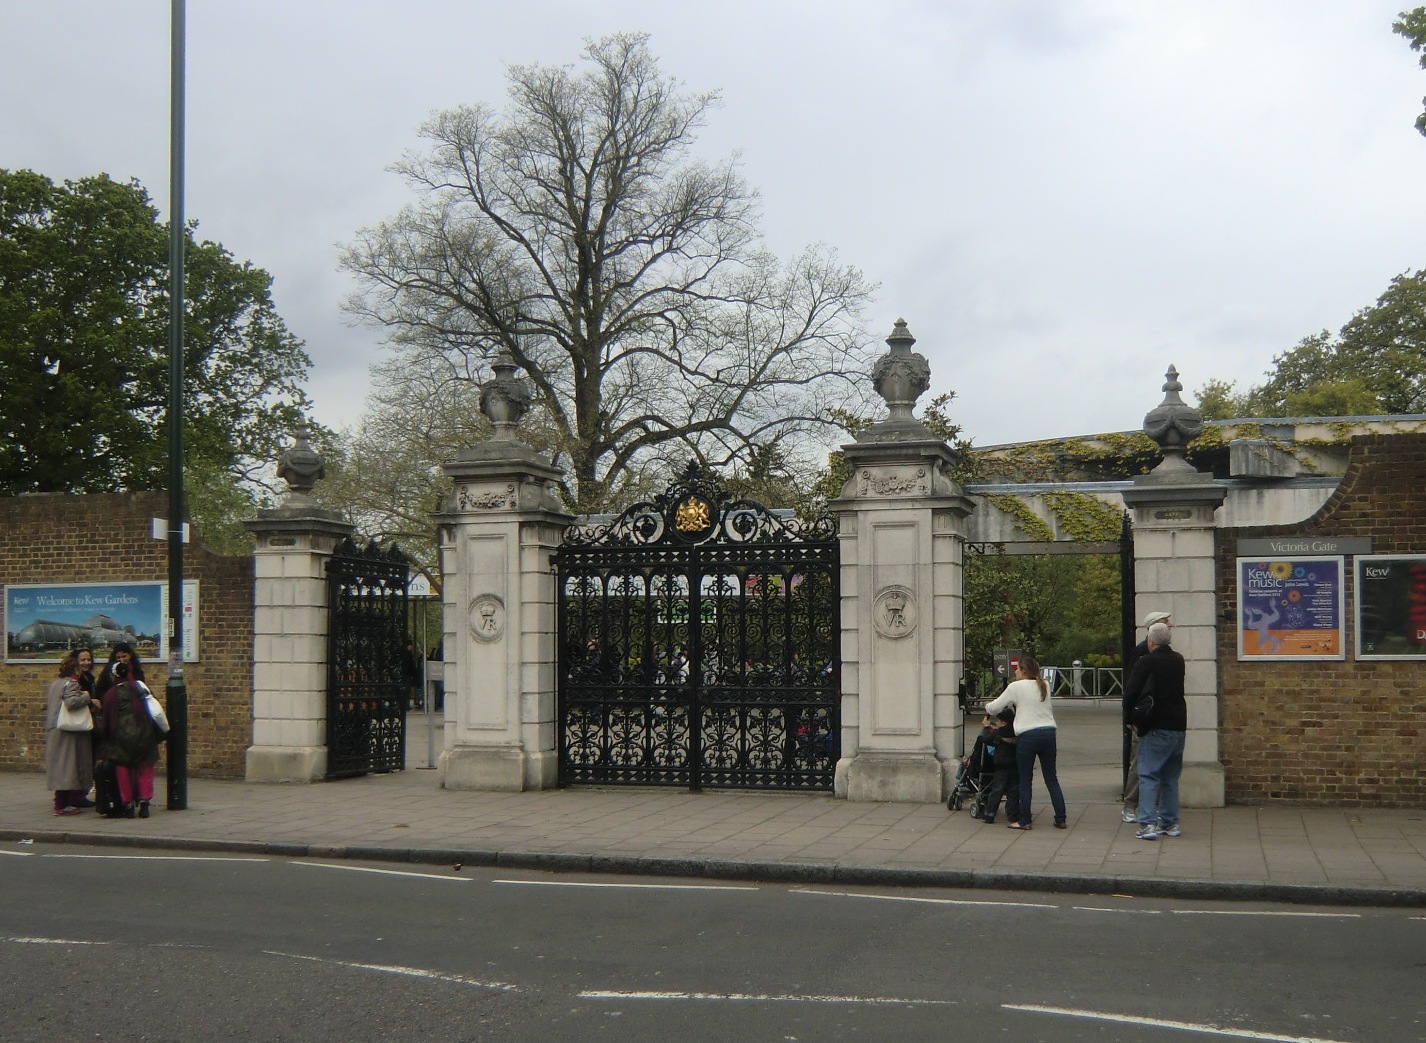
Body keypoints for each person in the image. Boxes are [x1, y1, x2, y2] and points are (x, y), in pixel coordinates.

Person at [986, 655, 1068, 830]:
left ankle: (1024, 820)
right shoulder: (1044, 684)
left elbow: (995, 708)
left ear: (1024, 671)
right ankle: (1060, 818)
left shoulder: (1015, 687)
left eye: (1017, 668)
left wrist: (987, 708)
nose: (1015, 671)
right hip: (1048, 733)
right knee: (1051, 778)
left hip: (1027, 737)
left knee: (1025, 780)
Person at [1124, 621, 1187, 840]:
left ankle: (1148, 824)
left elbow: (1131, 692)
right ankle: (1170, 824)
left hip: (1155, 725)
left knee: (1149, 775)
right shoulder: (1178, 661)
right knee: (1170, 777)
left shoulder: (1147, 662)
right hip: (1178, 725)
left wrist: (1129, 718)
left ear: (1150, 641)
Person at [1122, 611, 1171, 823]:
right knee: (1138, 762)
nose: (1170, 626)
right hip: (1145, 716)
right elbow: (1133, 688)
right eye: (1166, 623)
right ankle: (1130, 805)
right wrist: (1132, 716)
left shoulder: (1168, 655)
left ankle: (1151, 805)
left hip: (1158, 715)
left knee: (1156, 762)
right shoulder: (1142, 653)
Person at [99, 660, 161, 819]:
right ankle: (145, 802)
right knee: (145, 767)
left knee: (123, 770)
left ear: (113, 676)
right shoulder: (139, 687)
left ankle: (128, 805)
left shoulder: (111, 694)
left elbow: (106, 721)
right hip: (144, 733)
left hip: (121, 739)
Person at [44, 651, 97, 815]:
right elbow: (71, 702)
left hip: (54, 729)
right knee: (67, 767)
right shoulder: (72, 683)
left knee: (61, 766)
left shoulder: (55, 684)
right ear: (75, 670)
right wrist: (88, 698)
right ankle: (61, 806)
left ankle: (66, 802)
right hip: (66, 731)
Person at [975, 706, 1019, 825]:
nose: (997, 723)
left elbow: (986, 739)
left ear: (1003, 722)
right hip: (1015, 765)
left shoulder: (999, 732)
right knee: (1013, 791)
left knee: (997, 790)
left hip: (1001, 765)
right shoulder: (1016, 731)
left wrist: (986, 727)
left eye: (999, 721)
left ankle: (990, 813)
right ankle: (1013, 815)